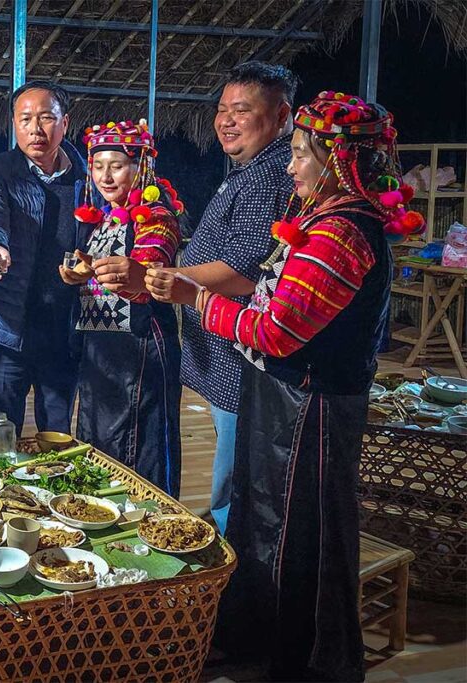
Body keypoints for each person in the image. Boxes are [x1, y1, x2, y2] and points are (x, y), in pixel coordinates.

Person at [147, 92, 422, 681]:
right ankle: (256, 643)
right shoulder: (322, 221)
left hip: (312, 410)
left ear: (338, 162)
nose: (292, 167)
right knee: (262, 525)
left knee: (302, 538)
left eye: (301, 155)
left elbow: (273, 330)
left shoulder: (341, 234)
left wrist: (194, 296)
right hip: (284, 400)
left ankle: (304, 663)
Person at [170, 61, 297, 533]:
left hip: (240, 348)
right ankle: (229, 529)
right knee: (231, 444)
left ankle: (234, 554)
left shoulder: (269, 176)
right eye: (222, 109)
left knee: (237, 458)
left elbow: (243, 271)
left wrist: (169, 278)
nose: (226, 120)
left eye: (242, 110)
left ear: (282, 115)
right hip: (221, 343)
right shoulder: (250, 168)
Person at [59, 119, 184, 496]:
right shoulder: (104, 218)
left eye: (116, 165)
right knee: (98, 441)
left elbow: (149, 272)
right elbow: (95, 273)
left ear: (139, 166)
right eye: (98, 166)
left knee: (138, 447)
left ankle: (148, 527)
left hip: (139, 348)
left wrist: (133, 274)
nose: (105, 176)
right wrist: (77, 273)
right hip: (99, 349)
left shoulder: (155, 216)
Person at [0, 81, 88, 436]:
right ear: (14, 125)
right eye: (25, 119)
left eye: (46, 118)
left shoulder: (88, 178)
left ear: (65, 123)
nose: (36, 129)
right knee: (2, 435)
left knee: (56, 436)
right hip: (6, 330)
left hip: (63, 332)